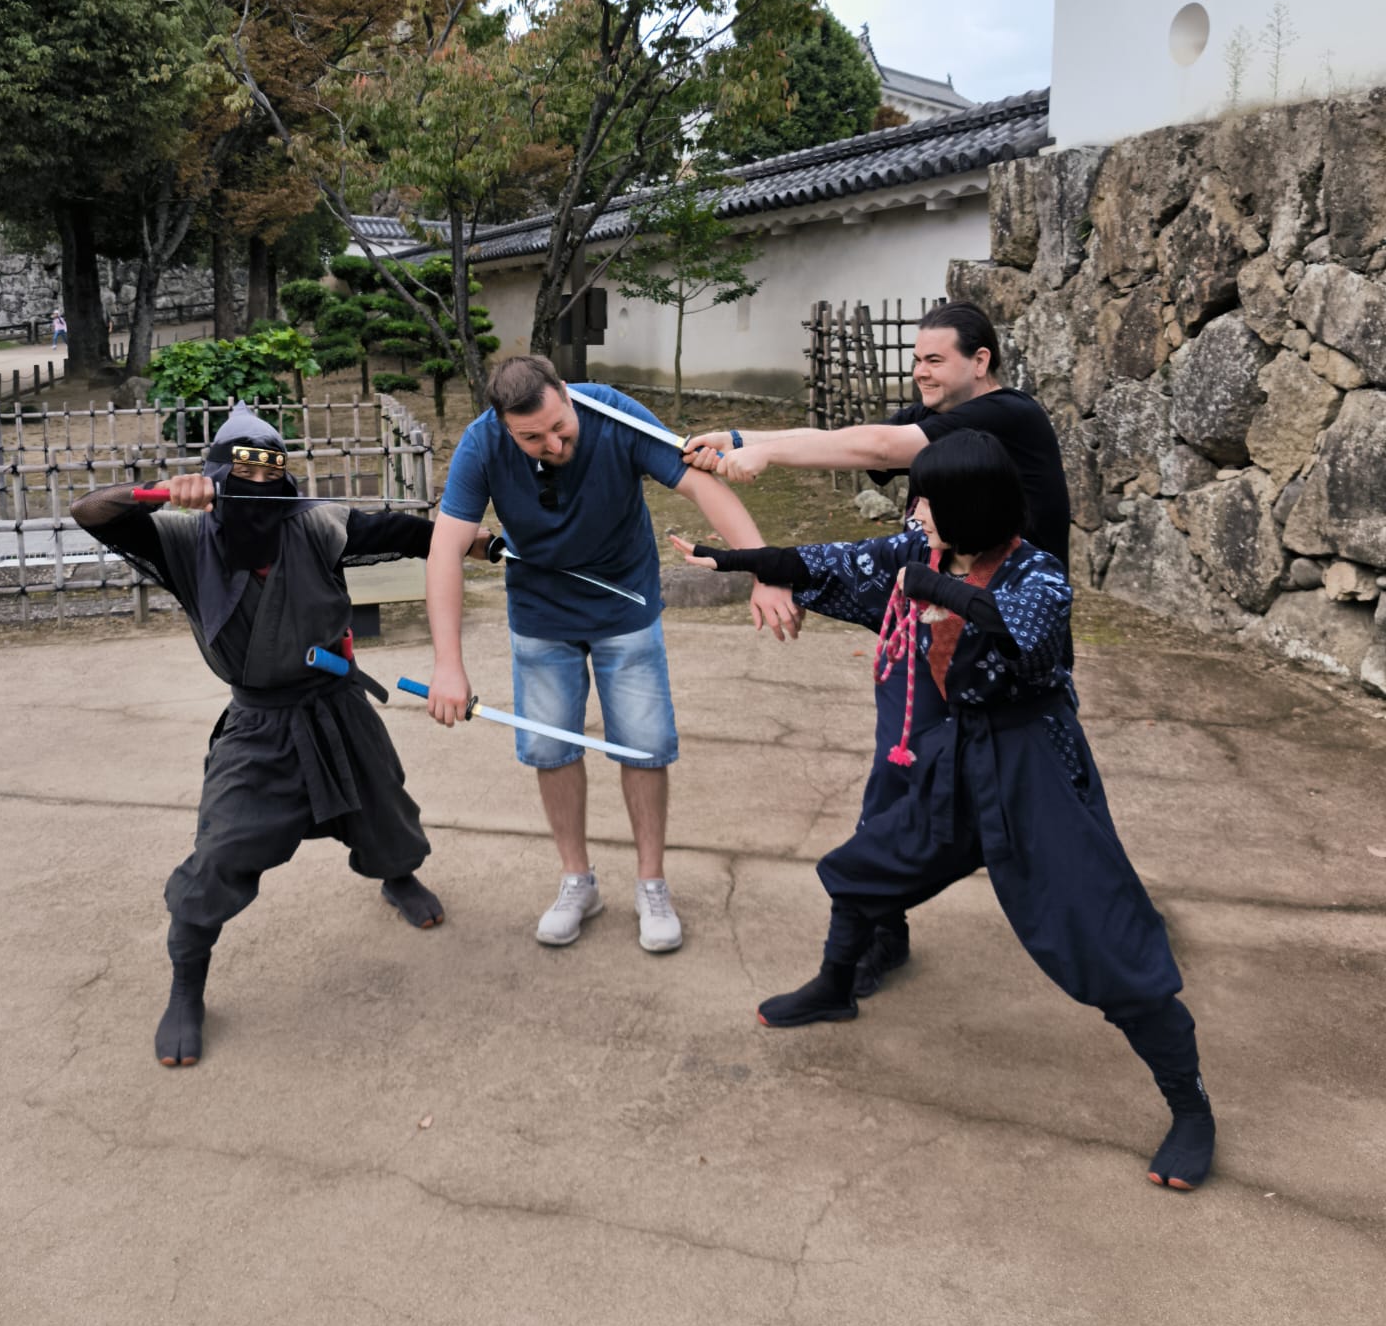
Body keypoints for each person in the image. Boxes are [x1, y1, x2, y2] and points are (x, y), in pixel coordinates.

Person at [674, 430, 1217, 1192]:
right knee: (867, 863)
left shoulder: (1036, 572)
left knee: (1101, 933)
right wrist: (734, 560)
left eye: (928, 500)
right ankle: (835, 985)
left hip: (1034, 766)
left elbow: (1020, 628)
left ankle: (1190, 1108)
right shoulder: (920, 550)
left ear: (972, 506)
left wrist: (934, 588)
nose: (915, 512)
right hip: (958, 755)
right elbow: (832, 562)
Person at [71, 402, 498, 1068]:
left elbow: (408, 532)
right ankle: (187, 986)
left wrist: (477, 543)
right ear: (216, 482)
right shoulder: (184, 540)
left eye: (272, 480)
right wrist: (157, 492)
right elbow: (90, 512)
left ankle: (398, 877)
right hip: (258, 723)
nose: (260, 494)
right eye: (243, 480)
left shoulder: (316, 523)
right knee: (220, 852)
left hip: (337, 705)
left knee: (384, 808)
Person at [684, 300, 1072, 1000]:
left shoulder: (1009, 416)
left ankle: (1103, 906)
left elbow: (876, 450)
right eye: (916, 358)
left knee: (1048, 791)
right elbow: (850, 436)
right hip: (928, 631)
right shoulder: (934, 418)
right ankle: (876, 933)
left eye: (935, 360)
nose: (920, 371)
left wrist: (763, 453)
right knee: (897, 778)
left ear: (980, 361)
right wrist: (742, 436)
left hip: (1006, 643)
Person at [424, 355, 801, 954]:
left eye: (559, 427)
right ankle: (577, 880)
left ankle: (652, 883)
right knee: (550, 748)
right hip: (540, 615)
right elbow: (445, 551)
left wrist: (767, 569)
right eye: (533, 439)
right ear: (504, 425)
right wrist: (448, 664)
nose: (553, 445)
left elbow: (701, 484)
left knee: (643, 745)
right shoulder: (482, 443)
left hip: (625, 607)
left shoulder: (613, 412)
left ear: (566, 393)